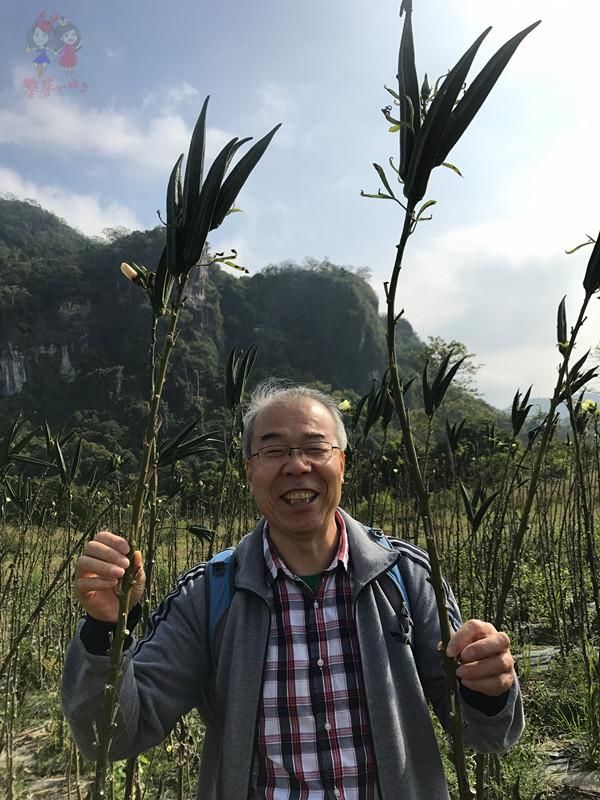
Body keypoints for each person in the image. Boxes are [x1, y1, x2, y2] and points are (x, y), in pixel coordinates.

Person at [62, 383, 523, 800]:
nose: (296, 465)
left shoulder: (405, 575)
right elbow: (114, 736)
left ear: (342, 462)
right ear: (248, 471)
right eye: (274, 450)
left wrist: (490, 689)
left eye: (314, 448)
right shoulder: (210, 593)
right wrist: (105, 628)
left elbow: (487, 735)